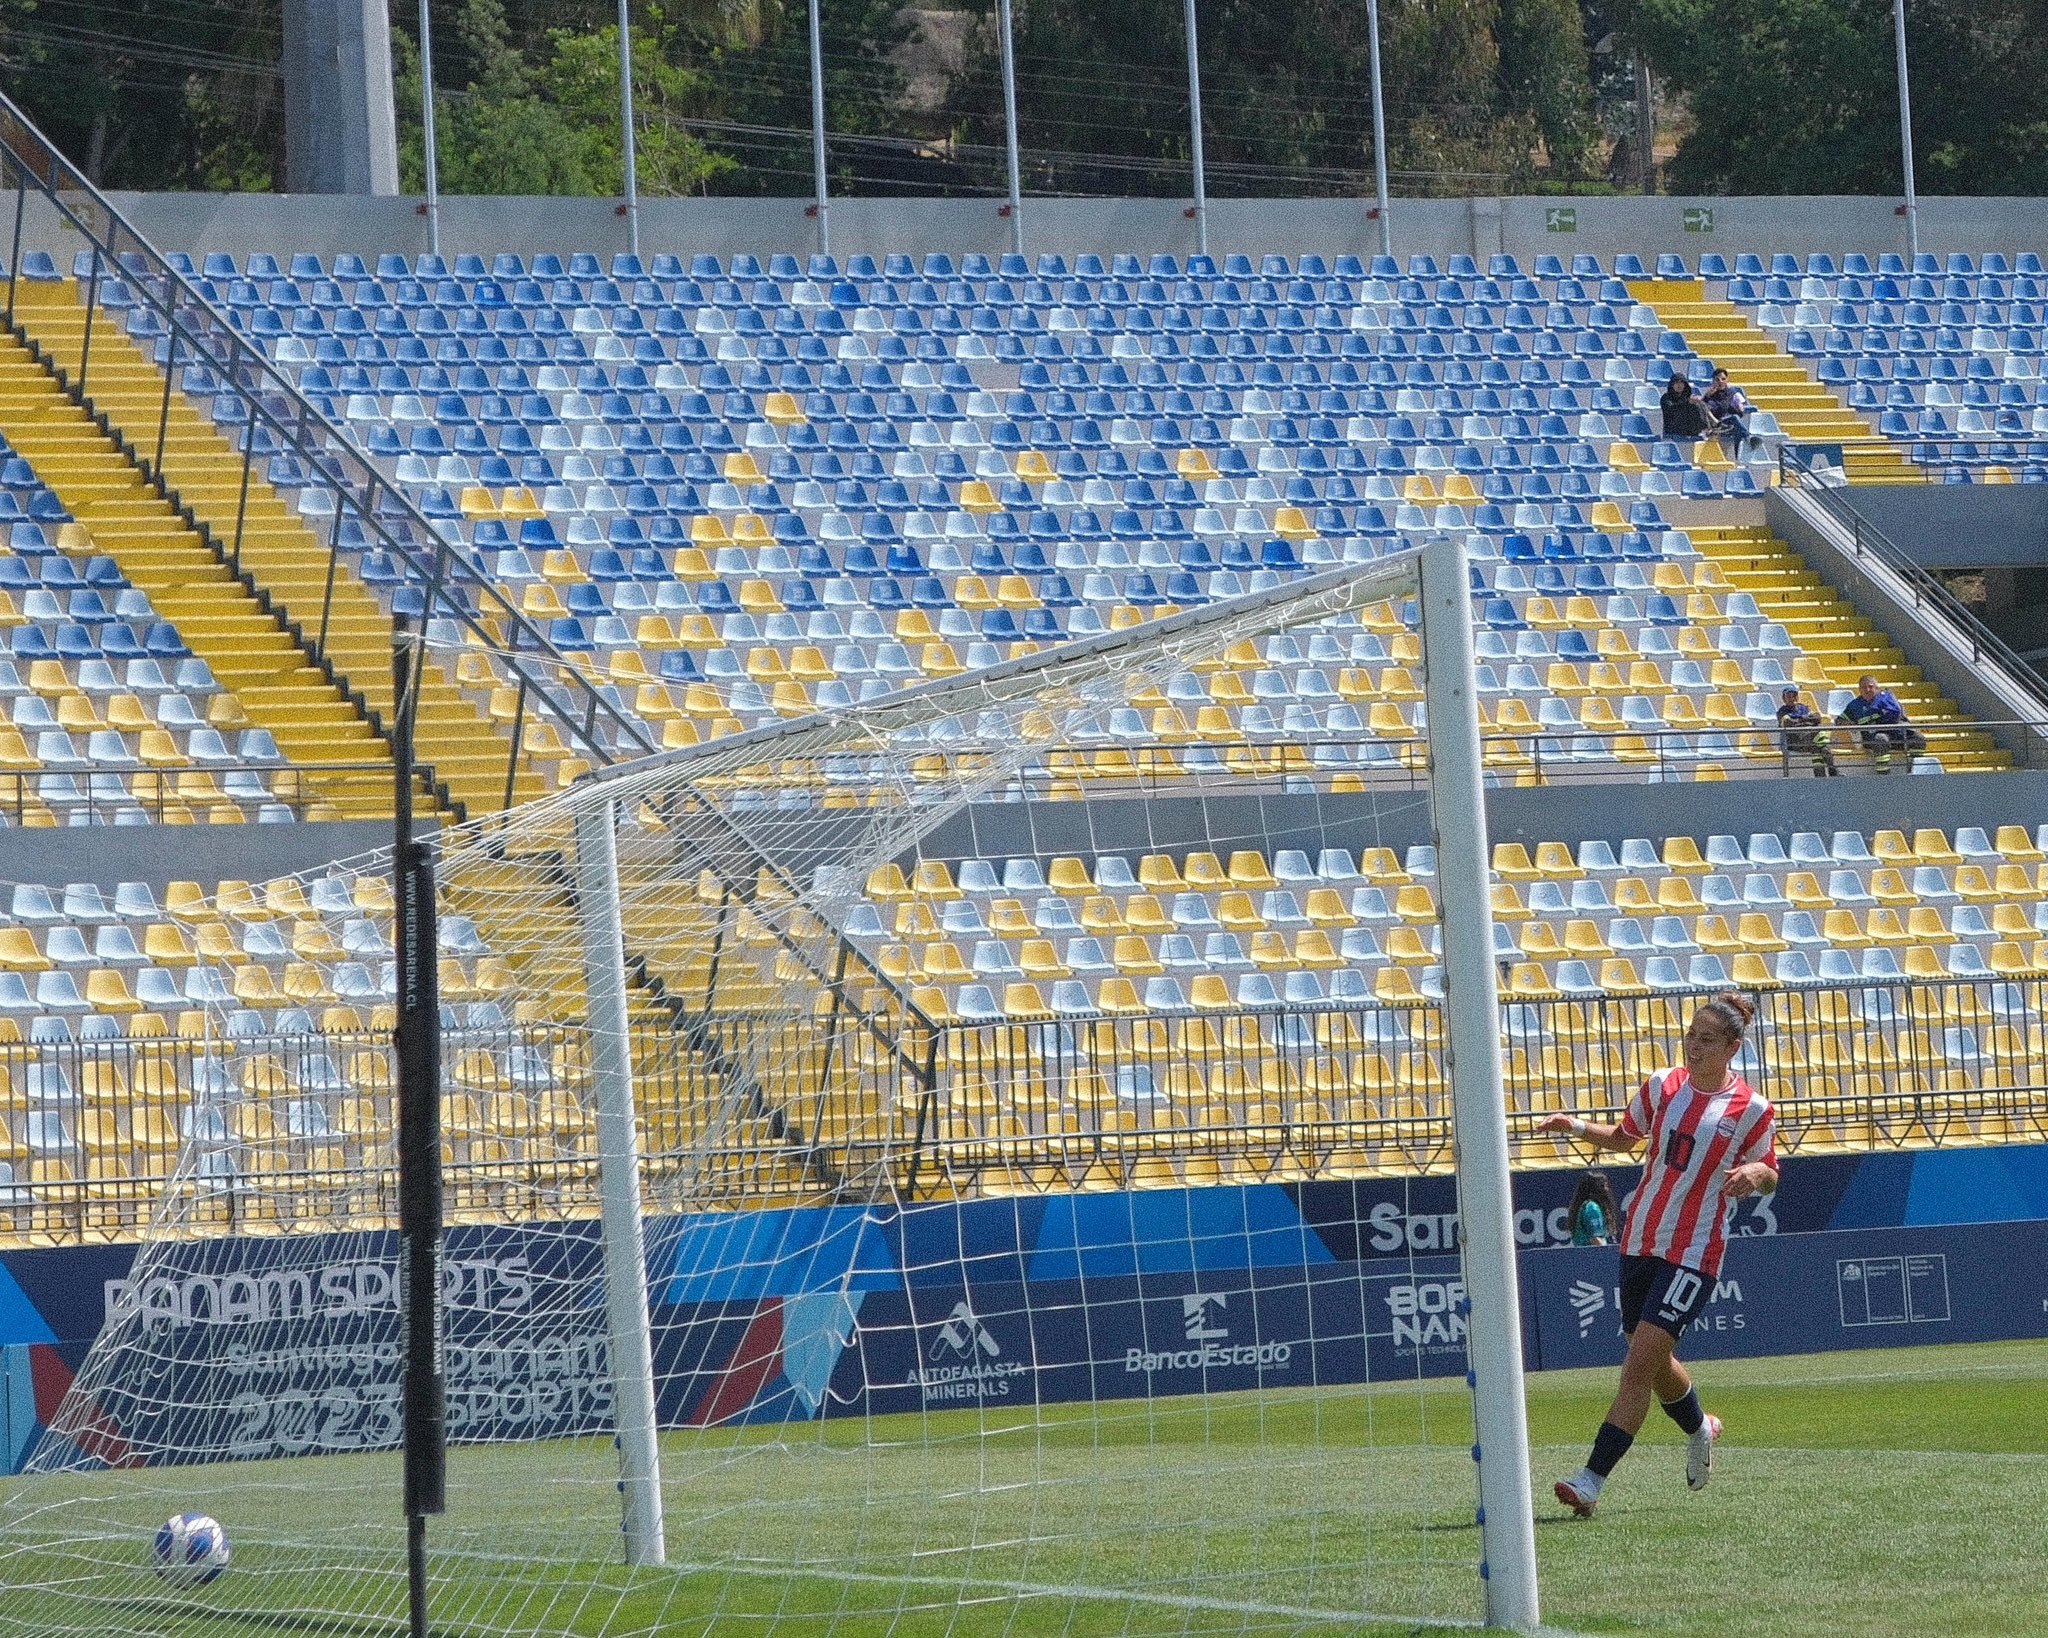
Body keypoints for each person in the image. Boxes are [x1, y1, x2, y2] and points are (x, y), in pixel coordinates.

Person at [1535, 991, 1778, 1519]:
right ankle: (1699, 1427)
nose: (1694, 1047)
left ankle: (1591, 1479)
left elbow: (1771, 1171)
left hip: (1694, 1251)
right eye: (1691, 1036)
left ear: (1734, 1047)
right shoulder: (1663, 1085)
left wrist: (1752, 1175)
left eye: (1707, 1040)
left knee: (1637, 1366)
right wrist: (1575, 1126)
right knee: (1652, 1358)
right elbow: (1626, 1139)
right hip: (1641, 1238)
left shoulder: (1752, 1110)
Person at [1835, 674, 1924, 773]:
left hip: (1895, 733)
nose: (1867, 690)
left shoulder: (1887, 698)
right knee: (1881, 739)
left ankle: (1914, 770)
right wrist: (1852, 726)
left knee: (1918, 738)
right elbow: (1839, 721)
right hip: (1874, 737)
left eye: (1870, 686)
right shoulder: (1854, 706)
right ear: (1859, 689)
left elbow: (1896, 713)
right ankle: (1883, 773)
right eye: (1864, 687)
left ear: (1877, 688)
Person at [1774, 686, 1839, 777]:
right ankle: (1832, 770)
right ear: (1784, 699)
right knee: (1819, 738)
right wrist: (1806, 720)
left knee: (1818, 749)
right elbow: (1788, 723)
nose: (1792, 698)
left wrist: (1800, 721)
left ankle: (1820, 777)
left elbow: (1817, 718)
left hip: (1809, 740)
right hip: (1794, 742)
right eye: (1789, 696)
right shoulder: (1782, 711)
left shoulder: (1803, 708)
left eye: (1794, 695)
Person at [1700, 367, 1754, 458]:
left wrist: (1740, 408)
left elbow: (1741, 411)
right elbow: (1703, 410)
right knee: (1735, 420)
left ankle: (1738, 457)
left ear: (1727, 380)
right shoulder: (1709, 396)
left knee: (1738, 431)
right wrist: (1706, 397)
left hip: (1730, 426)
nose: (1720, 381)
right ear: (1713, 381)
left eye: (1723, 379)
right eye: (1717, 379)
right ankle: (1748, 438)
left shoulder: (1732, 394)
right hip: (1718, 426)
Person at [1568, 1169, 1619, 1246]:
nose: (1607, 1189)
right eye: (1604, 1186)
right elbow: (1595, 1239)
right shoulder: (1592, 1208)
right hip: (1591, 1255)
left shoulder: (1587, 1205)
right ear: (1597, 1188)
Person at [1659, 373, 1710, 441]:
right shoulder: (1666, 397)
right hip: (1673, 428)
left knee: (1699, 405)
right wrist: (1687, 403)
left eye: (1681, 383)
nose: (1679, 385)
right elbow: (1671, 410)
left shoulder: (1686, 397)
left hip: (1688, 428)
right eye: (1676, 383)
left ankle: (1708, 428)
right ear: (1672, 384)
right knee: (1693, 406)